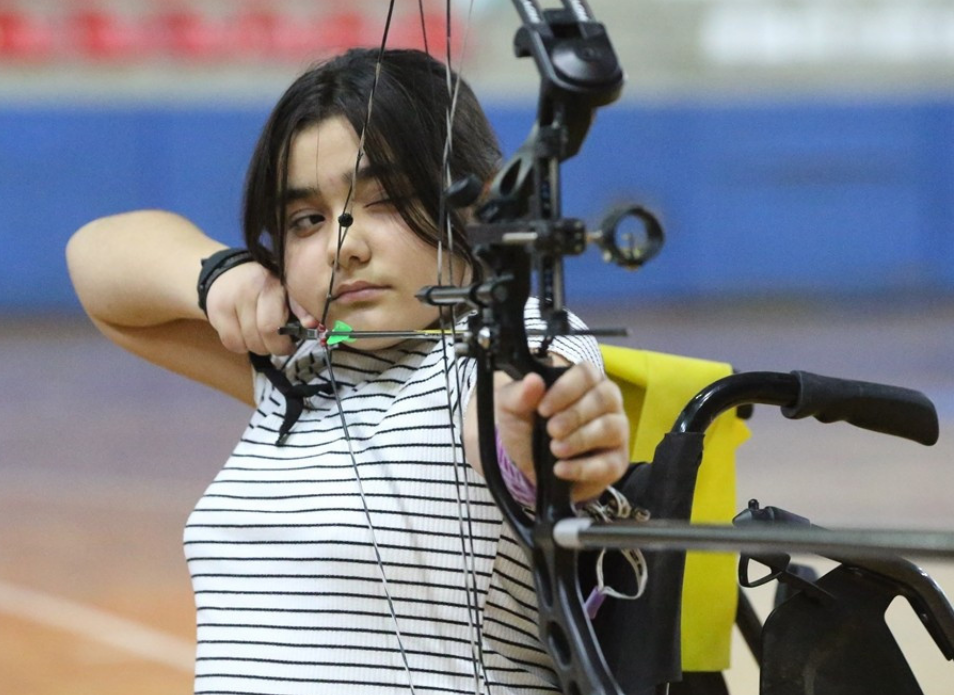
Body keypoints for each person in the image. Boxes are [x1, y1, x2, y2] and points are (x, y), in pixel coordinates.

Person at [66, 47, 630, 695]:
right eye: (307, 220)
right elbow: (97, 269)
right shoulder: (299, 369)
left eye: (387, 200)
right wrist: (221, 276)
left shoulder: (512, 336)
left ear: (479, 205)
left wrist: (544, 439)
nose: (343, 245)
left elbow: (528, 419)